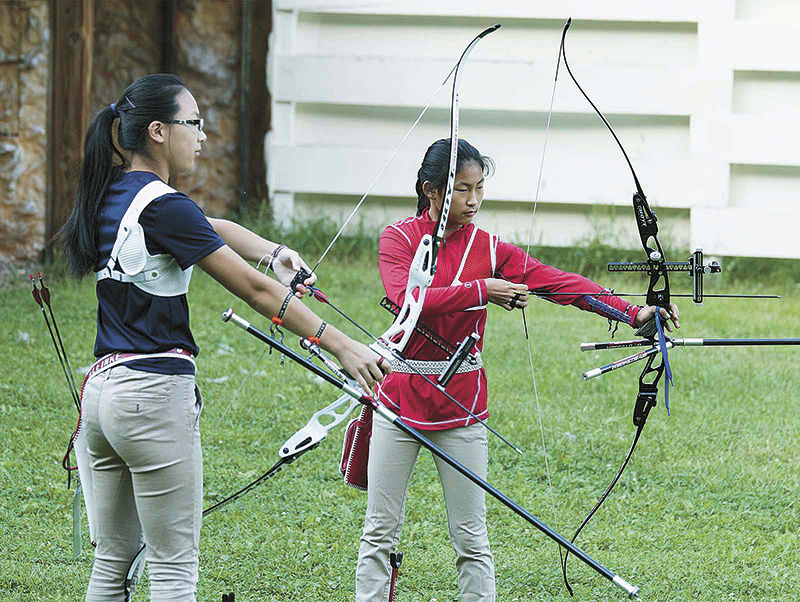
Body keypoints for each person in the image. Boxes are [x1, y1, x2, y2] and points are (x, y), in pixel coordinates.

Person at [58, 73, 389, 601]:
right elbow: (258, 293)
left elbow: (211, 227)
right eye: (194, 124)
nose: (203, 136)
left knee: (112, 565)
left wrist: (272, 250)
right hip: (151, 401)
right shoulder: (164, 205)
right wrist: (342, 344)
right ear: (160, 131)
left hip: (101, 402)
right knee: (172, 570)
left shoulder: (118, 194)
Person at [356, 138, 679, 601]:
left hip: (461, 403)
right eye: (461, 190)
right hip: (400, 398)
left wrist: (632, 313)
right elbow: (411, 299)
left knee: (471, 539)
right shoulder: (400, 238)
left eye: (479, 189)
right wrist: (483, 290)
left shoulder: (488, 247)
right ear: (430, 190)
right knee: (378, 535)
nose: (473, 201)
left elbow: (556, 282)